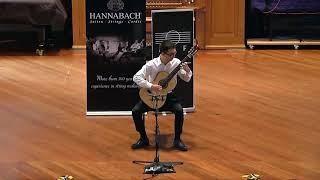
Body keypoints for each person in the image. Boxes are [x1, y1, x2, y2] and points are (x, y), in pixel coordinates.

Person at [131, 40, 192, 151]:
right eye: (171, 54)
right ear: (162, 53)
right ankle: (143, 138)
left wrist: (187, 71)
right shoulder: (151, 64)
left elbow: (186, 79)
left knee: (179, 110)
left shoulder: (176, 63)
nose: (173, 56)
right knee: (135, 111)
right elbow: (136, 77)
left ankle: (177, 140)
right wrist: (150, 86)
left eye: (175, 53)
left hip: (168, 97)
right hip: (152, 96)